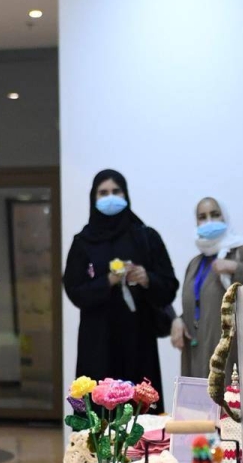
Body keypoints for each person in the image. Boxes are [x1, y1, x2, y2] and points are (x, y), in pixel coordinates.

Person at [64, 170, 179, 399]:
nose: (110, 197)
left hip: (139, 341)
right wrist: (107, 281)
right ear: (93, 198)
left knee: (141, 409)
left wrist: (147, 279)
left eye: (116, 191)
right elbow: (74, 290)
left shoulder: (146, 237)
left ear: (126, 195)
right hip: (98, 341)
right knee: (98, 409)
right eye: (103, 193)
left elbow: (169, 286)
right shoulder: (83, 242)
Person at [172, 196, 243, 380]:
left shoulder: (242, 252)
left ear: (225, 217)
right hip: (198, 356)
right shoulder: (195, 263)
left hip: (232, 358)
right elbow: (201, 305)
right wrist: (179, 320)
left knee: (228, 396)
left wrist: (236, 268)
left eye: (215, 214)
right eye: (202, 217)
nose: (209, 222)